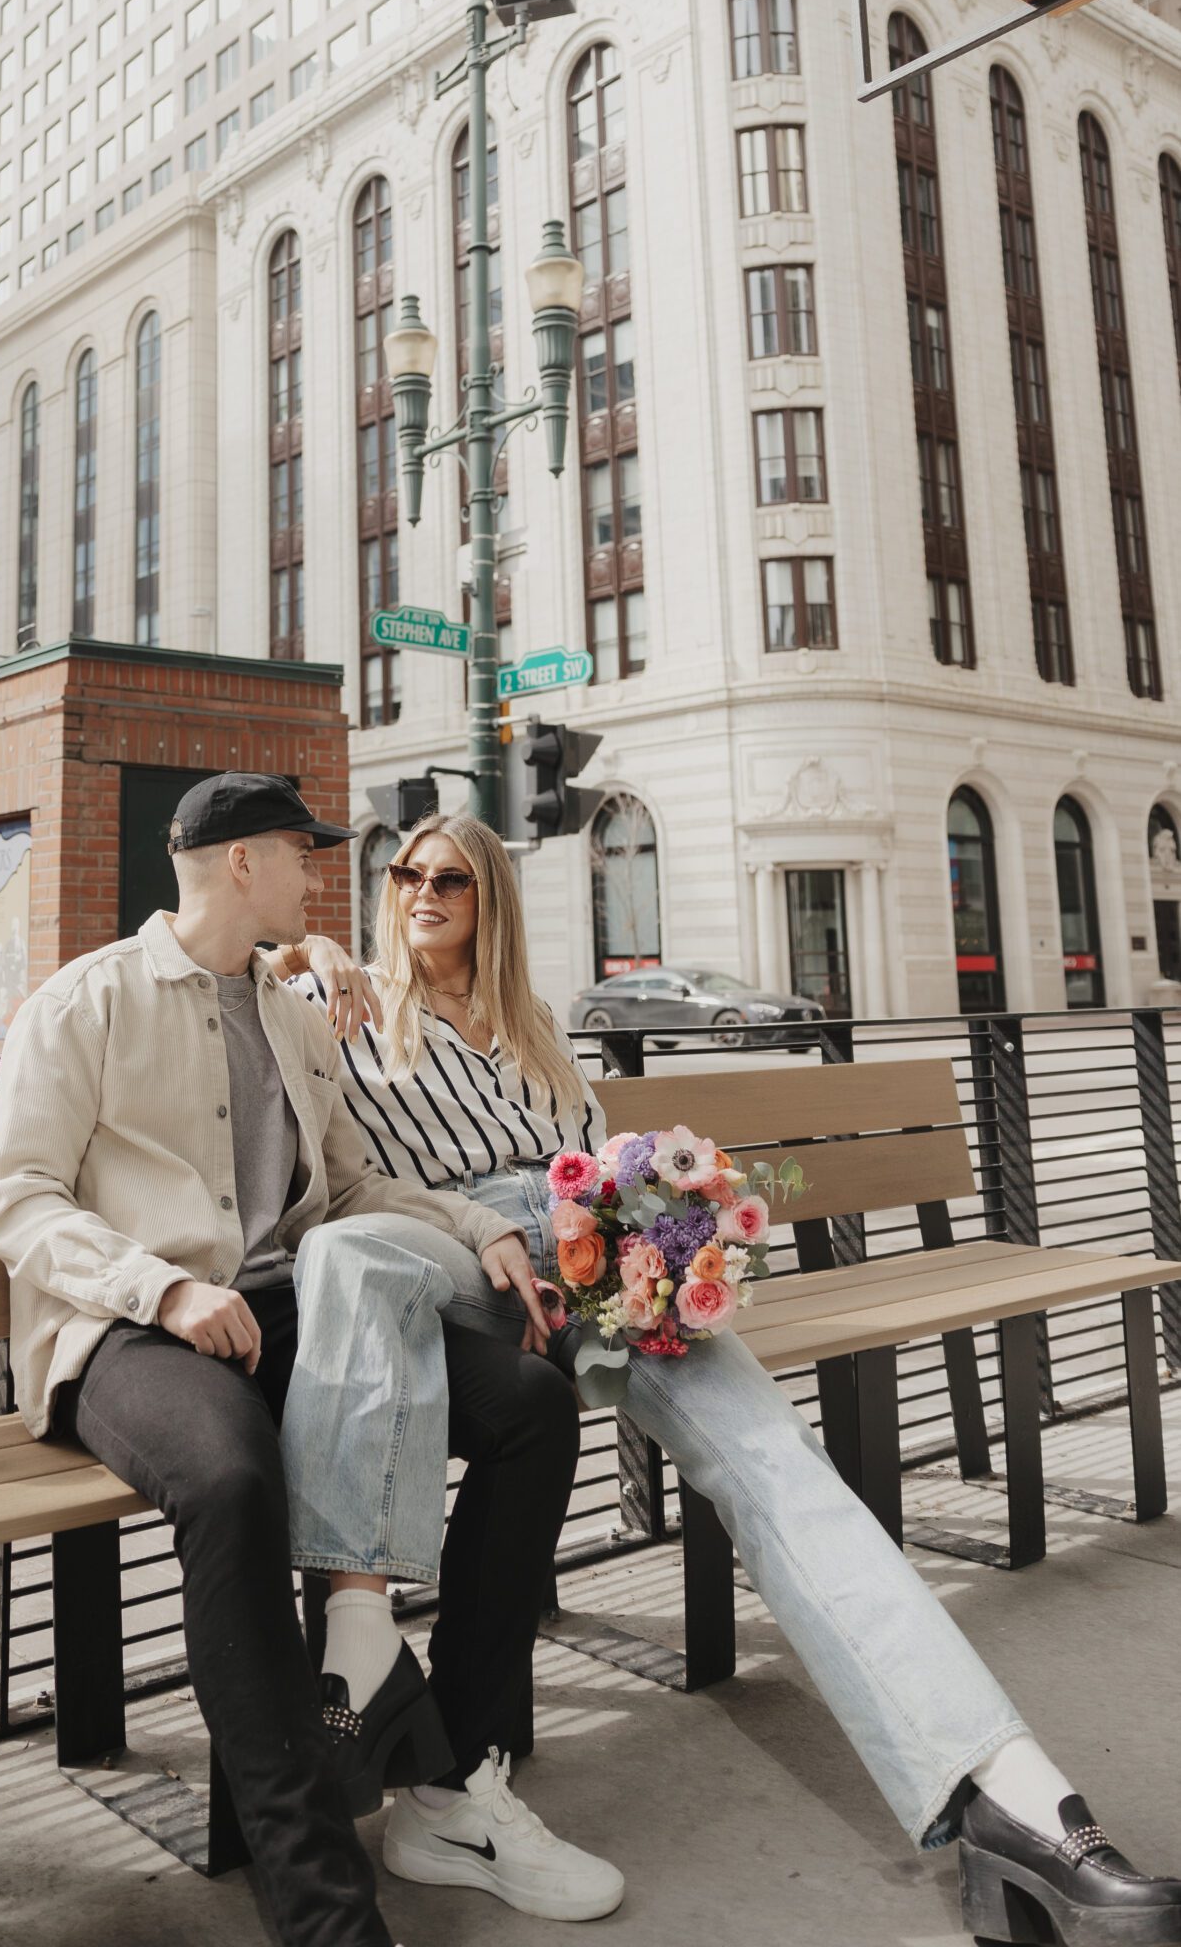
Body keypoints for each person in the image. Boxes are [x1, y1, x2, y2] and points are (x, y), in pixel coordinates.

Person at [272, 809, 1181, 1947]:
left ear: (491, 897)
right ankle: (359, 1650)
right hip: (454, 1255)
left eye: (450, 877)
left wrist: (662, 1230)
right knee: (345, 1251)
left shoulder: (533, 1026)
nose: (421, 892)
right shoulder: (343, 1002)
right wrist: (301, 949)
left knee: (778, 1466)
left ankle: (1017, 1801)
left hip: (599, 1260)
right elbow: (245, 989)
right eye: (404, 873)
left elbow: (593, 1157)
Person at [0, 772, 622, 1947]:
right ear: (239, 864)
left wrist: (486, 1231)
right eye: (298, 853)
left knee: (530, 1404)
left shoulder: (286, 1014)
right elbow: (13, 1196)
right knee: (230, 1481)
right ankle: (324, 1905)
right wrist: (160, 1288)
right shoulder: (85, 1002)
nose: (318, 876)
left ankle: (450, 1789)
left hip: (280, 1306)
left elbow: (352, 1184)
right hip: (126, 1331)